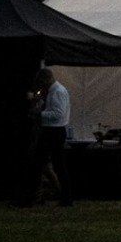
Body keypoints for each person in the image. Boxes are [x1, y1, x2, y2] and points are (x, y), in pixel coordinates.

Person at [24, 67, 74, 206]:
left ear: (46, 80)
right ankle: (63, 197)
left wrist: (39, 114)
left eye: (41, 82)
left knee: (51, 165)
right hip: (52, 131)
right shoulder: (54, 91)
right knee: (49, 164)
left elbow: (58, 114)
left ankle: (63, 197)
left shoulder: (57, 92)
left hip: (54, 132)